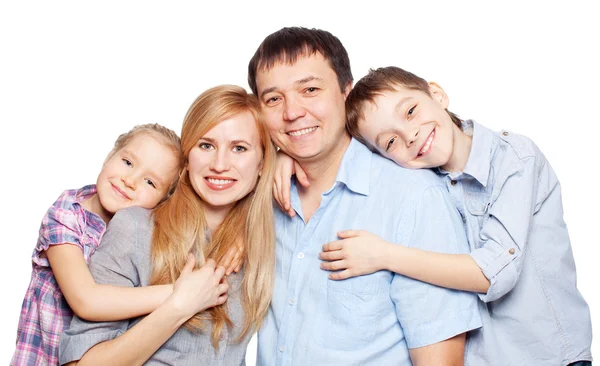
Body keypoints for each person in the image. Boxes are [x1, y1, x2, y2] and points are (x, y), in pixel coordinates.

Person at [278, 66, 594, 365]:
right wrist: (286, 157)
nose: (409, 135)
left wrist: (384, 255)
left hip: (550, 357)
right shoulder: (426, 184)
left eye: (410, 111)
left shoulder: (513, 158)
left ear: (437, 95)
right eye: (390, 142)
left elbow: (494, 273)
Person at [247, 27, 482, 365]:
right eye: (273, 99)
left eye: (310, 89)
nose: (292, 112)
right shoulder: (256, 197)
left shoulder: (413, 197)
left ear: (346, 91)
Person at [59, 85, 276, 365]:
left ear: (262, 163)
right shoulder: (136, 227)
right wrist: (178, 306)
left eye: (239, 148)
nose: (220, 164)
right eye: (206, 145)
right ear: (187, 157)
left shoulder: (263, 241)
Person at [11, 123, 188, 366]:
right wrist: (180, 293)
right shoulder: (66, 215)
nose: (130, 180)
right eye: (128, 162)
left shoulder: (141, 236)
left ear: (163, 201)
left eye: (150, 182)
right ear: (108, 157)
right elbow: (86, 301)